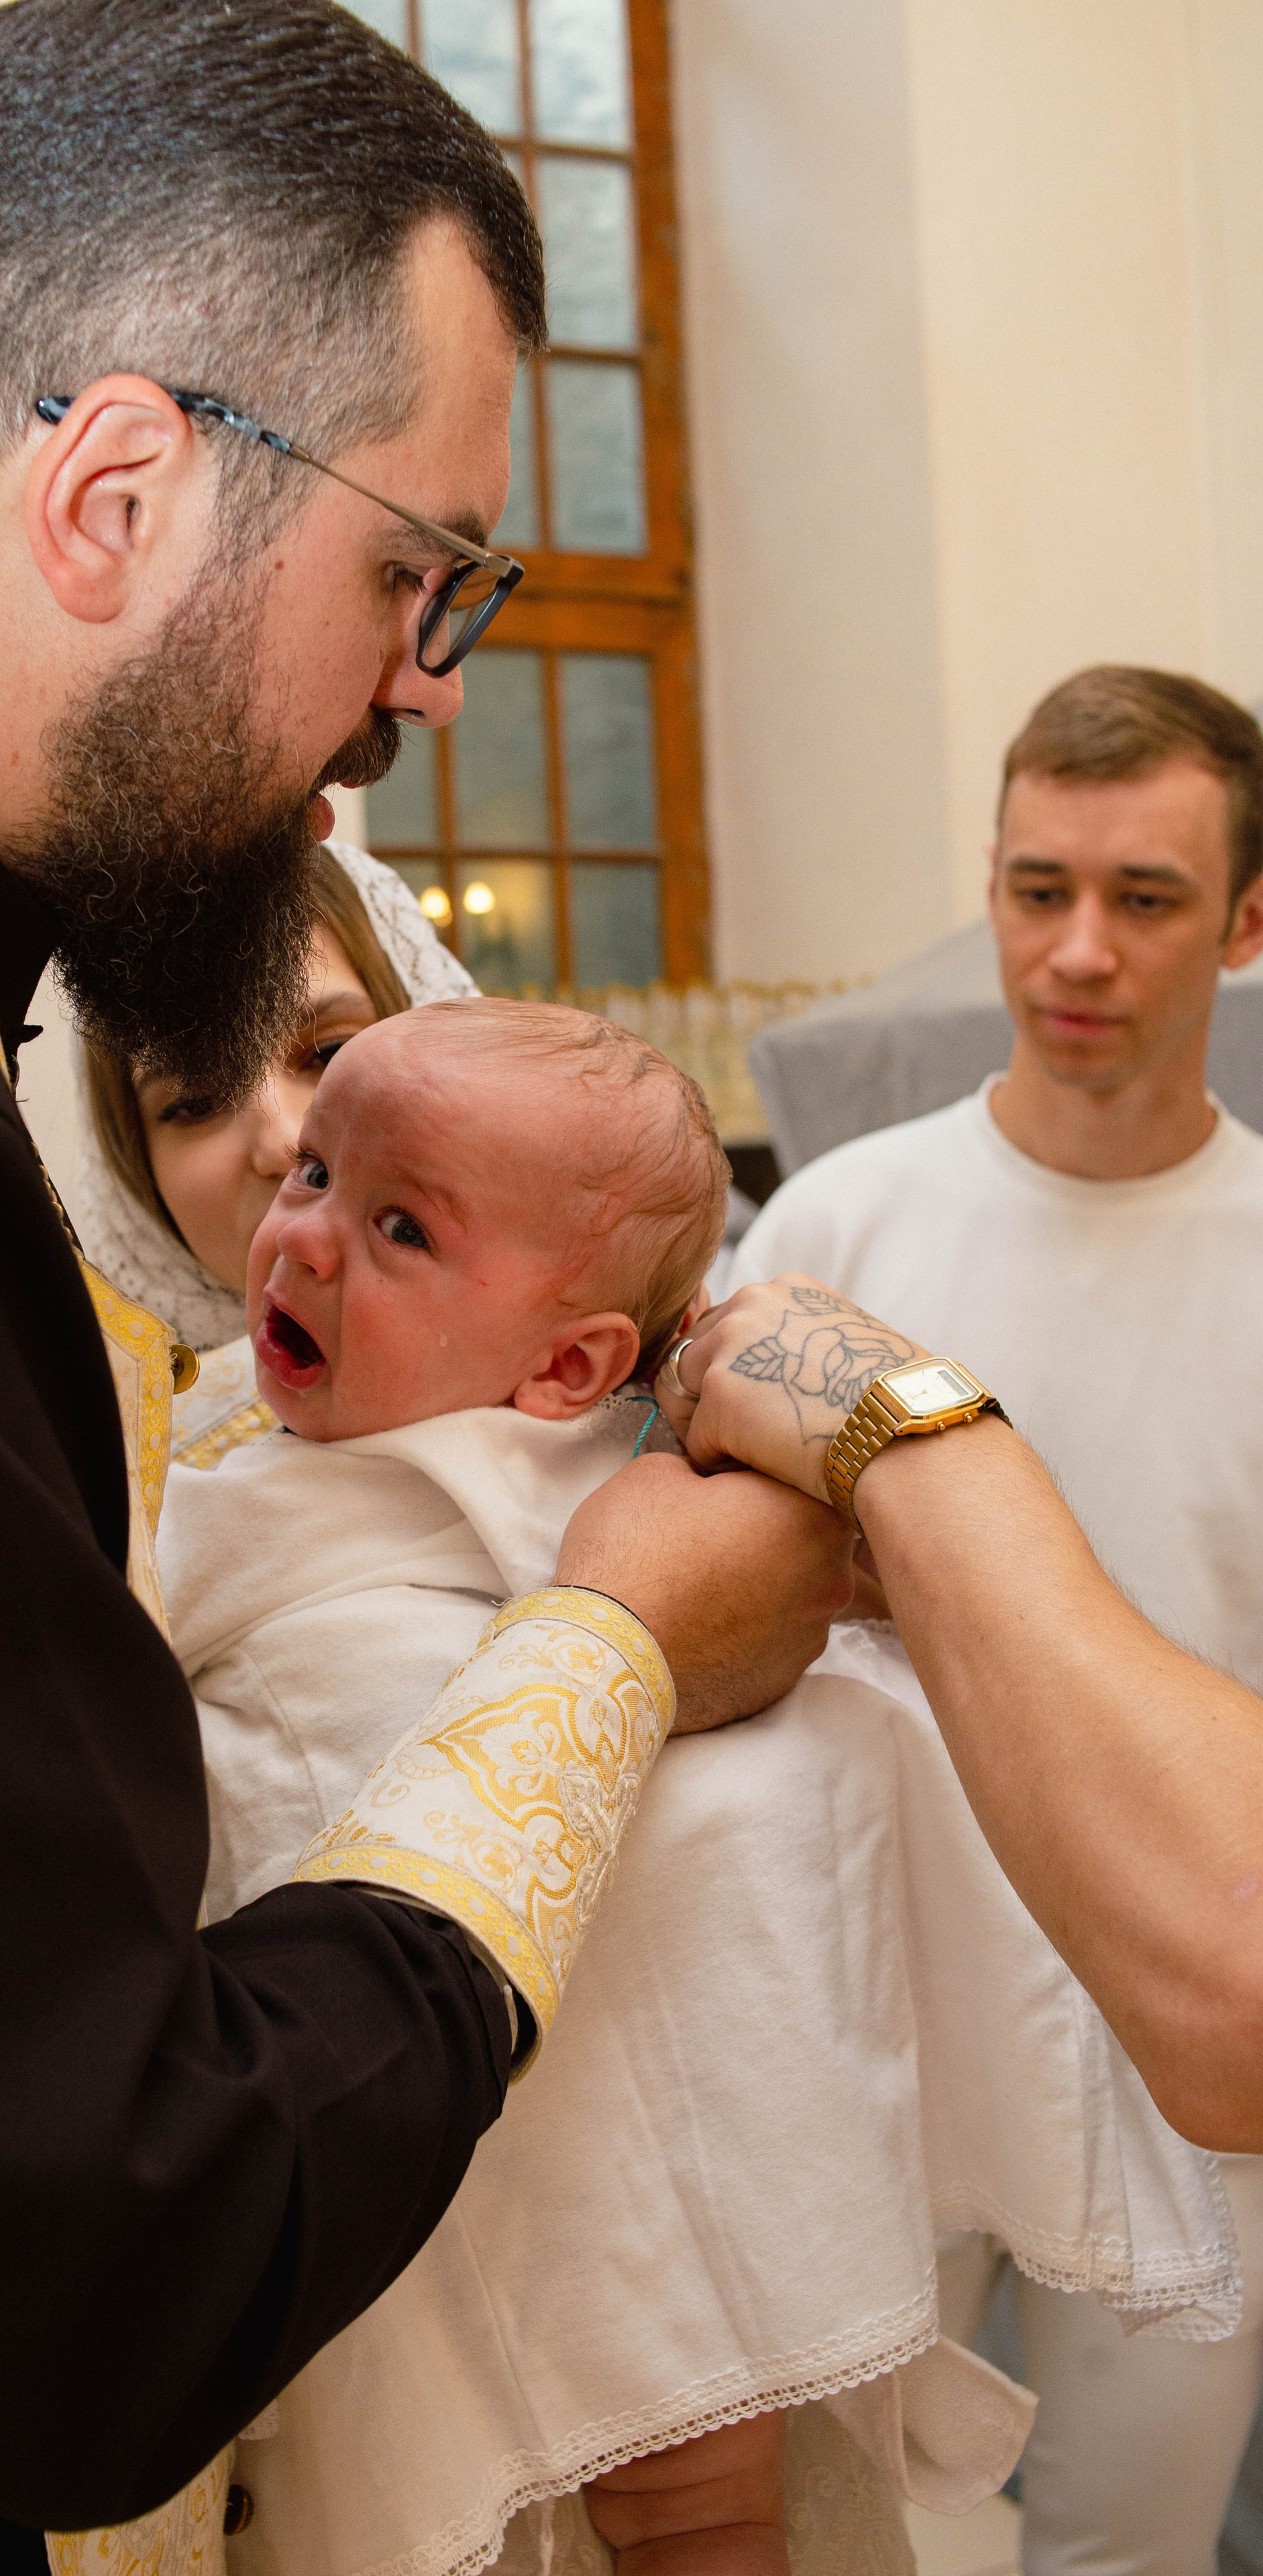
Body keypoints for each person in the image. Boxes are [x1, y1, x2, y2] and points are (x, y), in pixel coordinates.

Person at [0, 5, 852, 2568]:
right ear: (119, 490)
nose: (425, 686)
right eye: (418, 568)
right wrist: (602, 1649)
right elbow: (91, 2256)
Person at [90, 1001, 1229, 2576]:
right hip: (427, 2078)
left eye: (401, 1223)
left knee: (692, 2480)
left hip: (648, 2073)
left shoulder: (646, 1494)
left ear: (569, 1364)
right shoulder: (236, 1439)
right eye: (315, 1178)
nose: (308, 1239)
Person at [722, 667, 1263, 2576]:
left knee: (1133, 2546)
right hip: (876, 1996)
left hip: (1183, 2031)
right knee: (855, 2532)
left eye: (1147, 897)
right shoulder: (833, 1236)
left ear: (1252, 920)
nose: (1080, 950)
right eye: (1038, 890)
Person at [75, 837, 475, 1463]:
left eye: (330, 1054)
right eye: (196, 1102)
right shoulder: (91, 1473)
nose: (285, 1140)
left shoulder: (629, 1351)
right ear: (137, 1180)